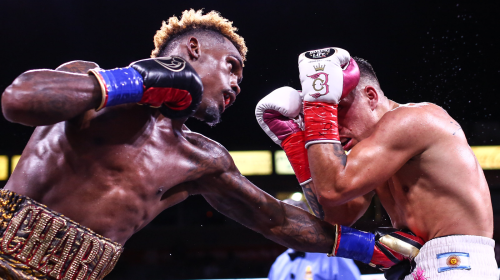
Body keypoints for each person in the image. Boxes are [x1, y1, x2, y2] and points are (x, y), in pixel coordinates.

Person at [0, 10, 414, 280]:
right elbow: (17, 99)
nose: (236, 84)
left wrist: (371, 248)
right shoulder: (89, 84)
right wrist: (136, 81)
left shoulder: (201, 159)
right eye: (231, 67)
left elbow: (275, 219)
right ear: (193, 50)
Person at [256, 47, 497, 279]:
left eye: (337, 110)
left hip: (458, 265)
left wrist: (319, 108)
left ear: (370, 96)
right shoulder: (370, 153)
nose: (334, 128)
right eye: (328, 115)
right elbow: (335, 217)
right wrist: (295, 141)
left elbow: (332, 189)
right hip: (422, 264)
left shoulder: (412, 120)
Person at [268, 199, 361, 280]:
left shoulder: (334, 258)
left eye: (296, 222)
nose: (290, 229)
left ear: (309, 223)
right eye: (284, 224)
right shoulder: (279, 263)